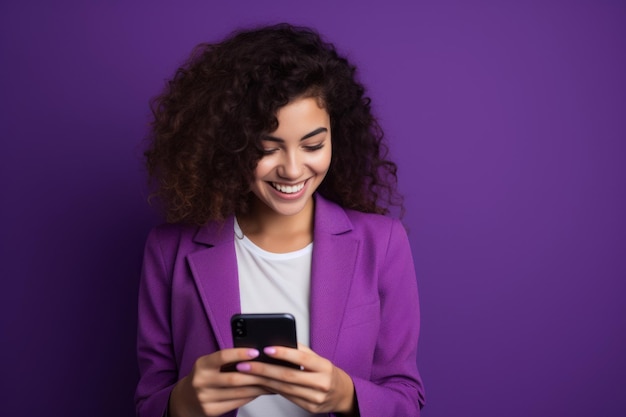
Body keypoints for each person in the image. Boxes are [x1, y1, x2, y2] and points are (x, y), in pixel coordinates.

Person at [135, 23, 425, 417]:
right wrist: (183, 402)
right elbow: (148, 400)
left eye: (313, 145)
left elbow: (406, 399)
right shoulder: (169, 249)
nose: (292, 170)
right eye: (267, 149)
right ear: (231, 145)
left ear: (335, 138)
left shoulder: (383, 243)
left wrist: (345, 395)